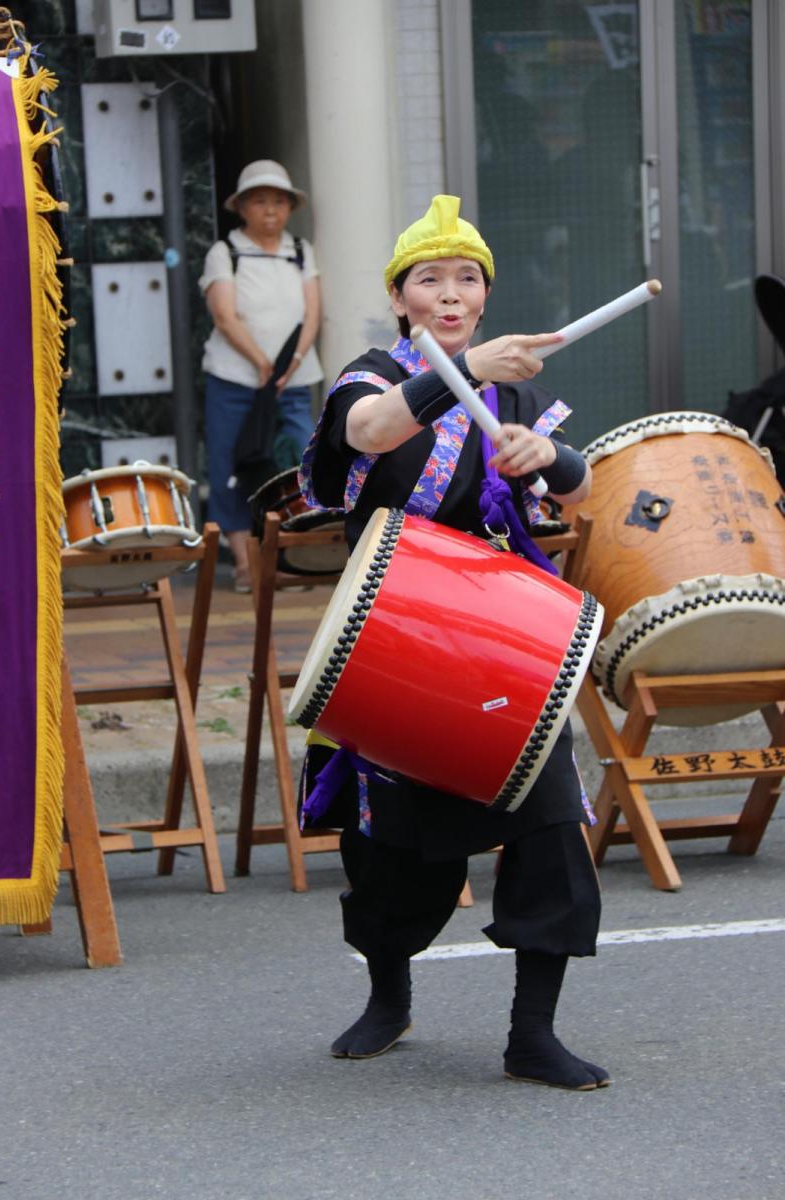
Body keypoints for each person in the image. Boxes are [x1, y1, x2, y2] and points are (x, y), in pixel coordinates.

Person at [297, 195, 609, 1091]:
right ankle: (388, 997)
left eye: (465, 279)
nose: (449, 293)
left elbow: (578, 487)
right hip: (391, 637)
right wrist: (462, 368)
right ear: (400, 298)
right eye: (428, 279)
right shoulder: (368, 376)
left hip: (502, 641)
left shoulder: (515, 391)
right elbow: (365, 435)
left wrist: (540, 459)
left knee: (550, 824)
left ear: (481, 294)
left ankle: (532, 1033)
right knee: (387, 851)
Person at [199, 160, 323, 592]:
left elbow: (313, 313)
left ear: (289, 208)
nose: (270, 210)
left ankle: (296, 555)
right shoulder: (225, 251)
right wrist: (259, 360)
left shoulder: (301, 250)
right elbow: (224, 314)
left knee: (301, 459)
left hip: (293, 379)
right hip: (235, 379)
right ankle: (246, 564)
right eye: (260, 201)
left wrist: (295, 358)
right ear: (243, 208)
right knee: (230, 464)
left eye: (278, 201)